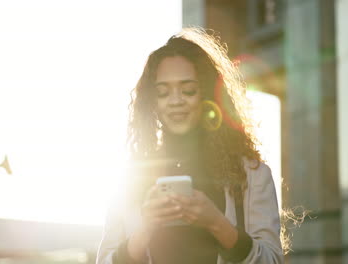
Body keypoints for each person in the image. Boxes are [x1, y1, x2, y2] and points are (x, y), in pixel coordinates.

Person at [96, 27, 284, 264]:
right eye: (163, 93)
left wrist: (216, 222)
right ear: (152, 101)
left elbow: (273, 261)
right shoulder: (130, 178)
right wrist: (145, 229)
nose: (176, 101)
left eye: (188, 90)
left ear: (206, 94)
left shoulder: (251, 174)